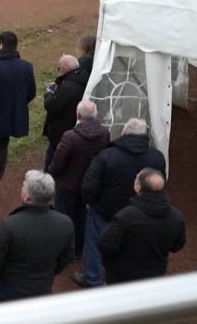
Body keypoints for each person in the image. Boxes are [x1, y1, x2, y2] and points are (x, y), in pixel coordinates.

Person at [75, 118, 167, 288]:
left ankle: (93, 280)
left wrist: (91, 203)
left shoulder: (106, 155)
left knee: (95, 244)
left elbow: (89, 186)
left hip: (105, 211)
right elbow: (160, 182)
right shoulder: (157, 158)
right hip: (139, 214)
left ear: (124, 132)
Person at [0, 170, 74, 302]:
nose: (22, 185)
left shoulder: (10, 225)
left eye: (24, 185)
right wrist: (50, 273)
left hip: (12, 288)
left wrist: (2, 276)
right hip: (44, 286)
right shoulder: (66, 223)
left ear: (26, 197)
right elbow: (67, 256)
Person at [100, 168, 186, 285]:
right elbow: (177, 245)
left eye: (136, 179)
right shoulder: (177, 217)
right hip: (155, 276)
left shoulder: (126, 216)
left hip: (121, 278)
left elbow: (104, 244)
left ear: (138, 188)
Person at [49, 100, 110, 259]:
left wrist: (52, 173)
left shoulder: (70, 136)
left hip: (67, 184)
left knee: (62, 217)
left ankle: (62, 251)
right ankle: (77, 250)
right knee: (81, 217)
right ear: (95, 115)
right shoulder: (105, 134)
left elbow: (58, 162)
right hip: (89, 184)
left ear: (78, 115)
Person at [0, 31, 36, 196]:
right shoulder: (27, 66)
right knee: (2, 147)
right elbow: (31, 92)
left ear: (1, 45)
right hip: (12, 116)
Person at [42, 54, 89, 171]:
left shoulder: (68, 86)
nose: (59, 71)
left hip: (61, 130)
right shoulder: (84, 78)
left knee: (52, 159)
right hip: (75, 125)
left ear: (65, 68)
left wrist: (50, 93)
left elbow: (52, 106)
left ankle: (47, 179)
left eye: (59, 68)